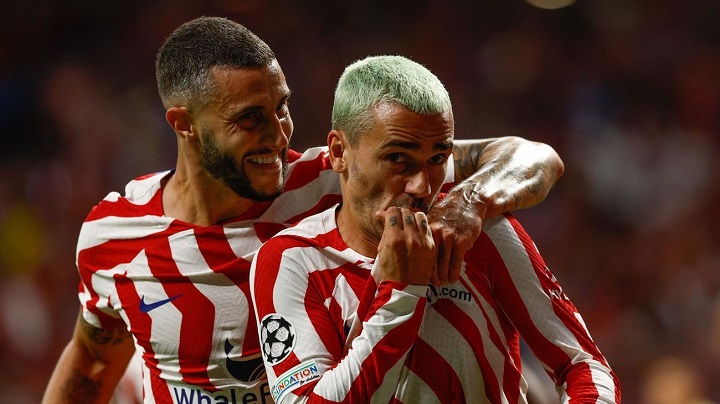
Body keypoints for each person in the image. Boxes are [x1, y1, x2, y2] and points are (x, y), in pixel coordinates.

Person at [42, 17, 564, 404]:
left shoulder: (334, 180)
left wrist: (469, 204)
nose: (280, 133)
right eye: (251, 119)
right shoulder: (115, 236)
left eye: (282, 107)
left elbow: (532, 157)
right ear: (183, 124)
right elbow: (91, 361)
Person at [250, 55, 620, 403]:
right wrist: (401, 289)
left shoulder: (479, 232)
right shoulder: (289, 260)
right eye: (398, 158)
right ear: (339, 152)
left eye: (437, 159)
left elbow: (584, 364)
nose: (422, 187)